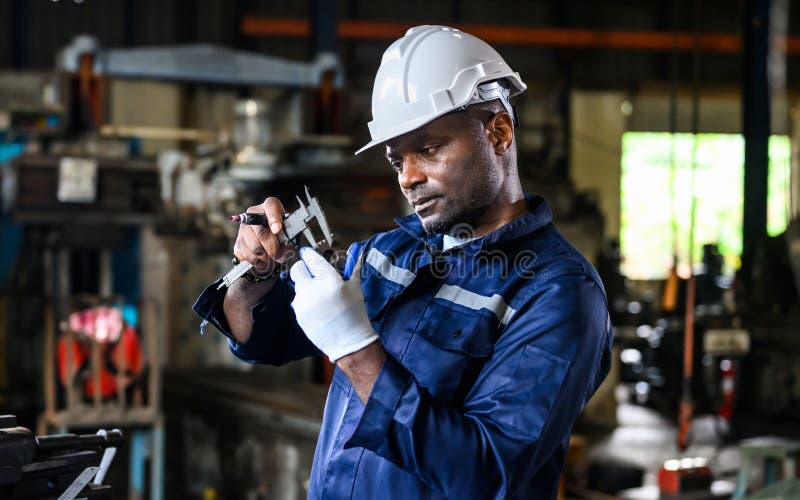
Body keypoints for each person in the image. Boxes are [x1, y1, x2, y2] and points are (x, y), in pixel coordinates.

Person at [194, 25, 612, 500]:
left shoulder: (557, 292)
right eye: (397, 161)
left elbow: (487, 474)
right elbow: (263, 338)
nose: (409, 178)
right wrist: (257, 275)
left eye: (429, 149)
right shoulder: (389, 253)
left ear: (498, 131)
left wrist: (355, 351)